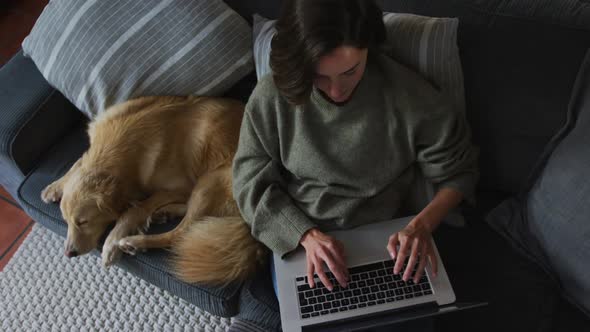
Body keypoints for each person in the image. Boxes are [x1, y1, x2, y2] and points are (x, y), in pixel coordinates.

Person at [232, 0, 478, 295]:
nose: (337, 91)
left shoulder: (409, 96)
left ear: (368, 50)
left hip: (386, 243)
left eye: (350, 71)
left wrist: (421, 226)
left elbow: (459, 172)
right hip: (300, 237)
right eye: (320, 76)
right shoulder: (271, 97)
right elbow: (249, 183)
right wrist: (306, 236)